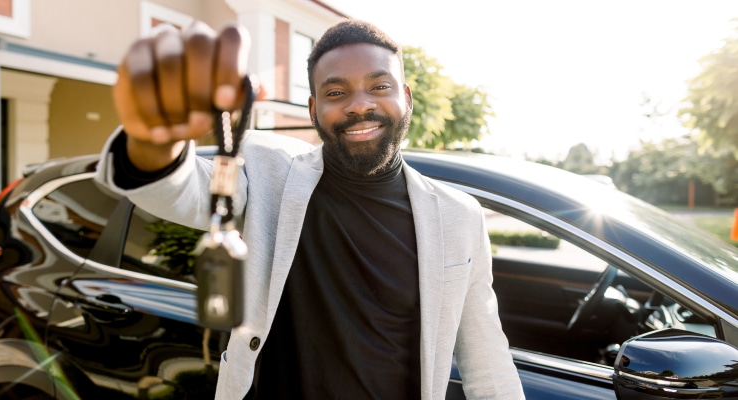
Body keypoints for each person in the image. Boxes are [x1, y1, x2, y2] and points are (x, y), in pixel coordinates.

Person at [95, 18, 525, 400]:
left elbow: (487, 361)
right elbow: (178, 191)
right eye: (337, 92)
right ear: (314, 109)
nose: (360, 104)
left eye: (380, 86)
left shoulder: (459, 216)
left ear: (406, 97)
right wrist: (156, 138)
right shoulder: (268, 171)